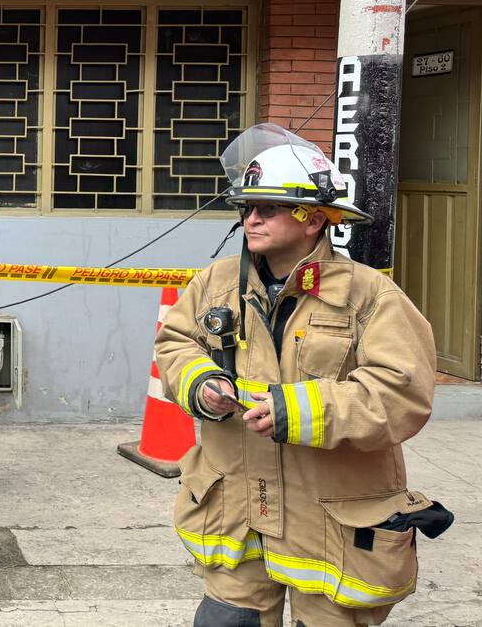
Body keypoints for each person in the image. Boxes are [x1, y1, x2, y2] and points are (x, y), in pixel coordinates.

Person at [156, 124, 452, 627]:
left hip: (330, 529)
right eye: (246, 208)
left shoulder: (370, 296)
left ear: (313, 219)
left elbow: (401, 393)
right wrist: (202, 384)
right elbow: (175, 344)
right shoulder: (215, 283)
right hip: (236, 515)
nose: (251, 218)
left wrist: (300, 411)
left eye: (267, 208)